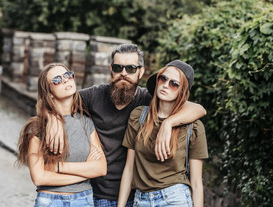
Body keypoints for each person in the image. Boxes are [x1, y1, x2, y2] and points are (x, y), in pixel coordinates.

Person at [46, 44, 207, 206]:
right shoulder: (94, 96)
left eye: (130, 68)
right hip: (94, 193)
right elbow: (53, 98)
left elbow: (198, 108)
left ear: (141, 72)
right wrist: (53, 118)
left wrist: (168, 123)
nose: (123, 73)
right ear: (111, 69)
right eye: (118, 67)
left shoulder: (149, 100)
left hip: (135, 196)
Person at [117, 60, 209, 207]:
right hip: (141, 199)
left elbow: (197, 182)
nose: (166, 85)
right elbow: (129, 168)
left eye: (174, 84)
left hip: (175, 198)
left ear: (182, 91)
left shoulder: (194, 127)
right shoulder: (138, 117)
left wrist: (168, 123)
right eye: (163, 78)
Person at [16, 63, 107, 207]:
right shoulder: (38, 127)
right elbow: (39, 178)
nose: (65, 80)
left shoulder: (86, 122)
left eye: (68, 75)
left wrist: (58, 167)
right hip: (50, 200)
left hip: (83, 200)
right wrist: (84, 172)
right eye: (57, 80)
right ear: (49, 92)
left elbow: (101, 168)